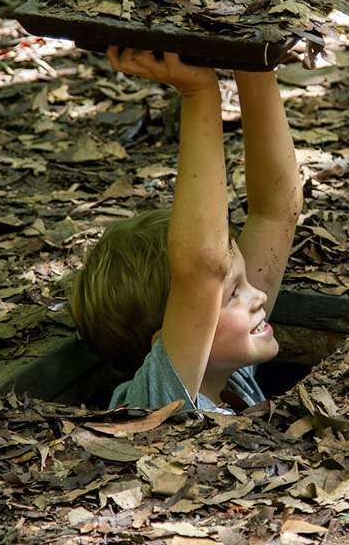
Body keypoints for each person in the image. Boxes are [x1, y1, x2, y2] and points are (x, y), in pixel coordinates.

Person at [70, 46, 303, 414]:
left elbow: (275, 212)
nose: (257, 294)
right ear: (168, 338)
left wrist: (253, 59)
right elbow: (201, 267)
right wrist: (198, 94)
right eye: (232, 294)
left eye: (241, 285)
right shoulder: (158, 403)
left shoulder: (229, 373)